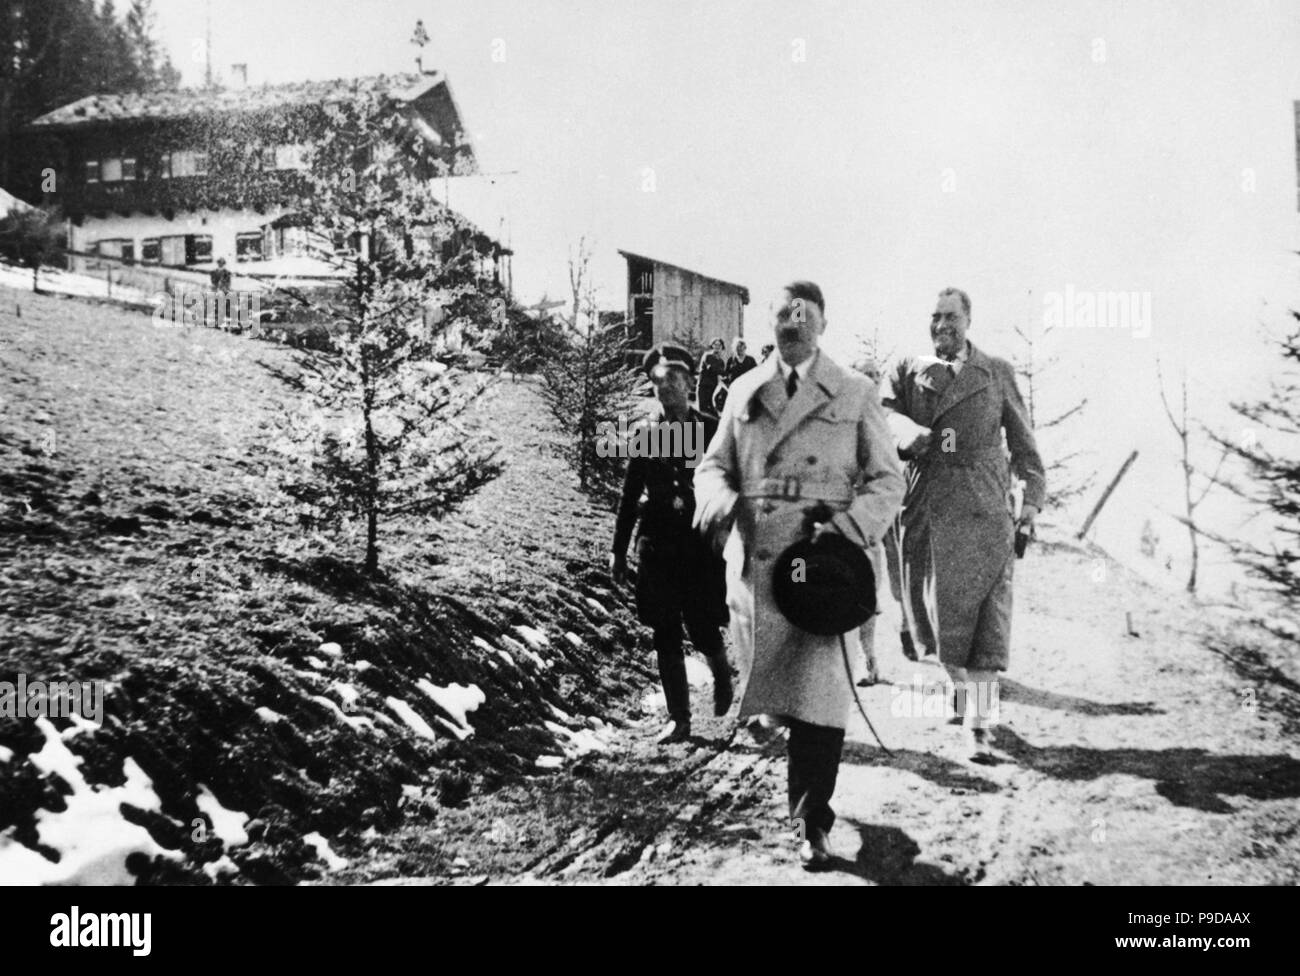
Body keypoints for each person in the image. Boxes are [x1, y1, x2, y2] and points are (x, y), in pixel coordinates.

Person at [694, 282, 905, 869]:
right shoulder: (743, 391)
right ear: (770, 322)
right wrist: (720, 503)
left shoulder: (856, 393)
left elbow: (889, 481)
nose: (792, 322)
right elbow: (712, 467)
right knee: (780, 708)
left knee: (820, 703)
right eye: (782, 313)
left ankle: (814, 822)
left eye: (803, 312)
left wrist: (848, 530)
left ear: (822, 322)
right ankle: (807, 792)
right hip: (759, 569)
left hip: (820, 572)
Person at [882, 287, 1044, 762]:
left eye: (950, 317)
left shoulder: (995, 373)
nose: (941, 326)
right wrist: (909, 433)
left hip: (984, 504)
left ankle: (980, 724)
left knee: (987, 622)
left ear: (969, 320)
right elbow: (883, 414)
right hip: (928, 501)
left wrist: (1031, 505)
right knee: (933, 620)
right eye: (934, 318)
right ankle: (958, 686)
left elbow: (1026, 448)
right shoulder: (908, 371)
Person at [611, 343, 734, 745]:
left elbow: (735, 485)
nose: (666, 390)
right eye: (659, 383)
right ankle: (679, 719)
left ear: (690, 383)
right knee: (664, 629)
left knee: (701, 625)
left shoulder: (713, 429)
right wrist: (618, 549)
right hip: (658, 545)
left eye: (674, 382)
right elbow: (629, 497)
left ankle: (720, 670)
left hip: (699, 545)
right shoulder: (645, 435)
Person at [696, 338, 726, 417]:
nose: (717, 346)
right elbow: (711, 368)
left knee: (712, 412)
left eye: (719, 345)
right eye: (715, 344)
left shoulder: (721, 361)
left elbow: (722, 374)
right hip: (704, 386)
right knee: (702, 410)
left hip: (713, 388)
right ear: (712, 345)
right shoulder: (707, 356)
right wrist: (723, 373)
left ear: (722, 346)